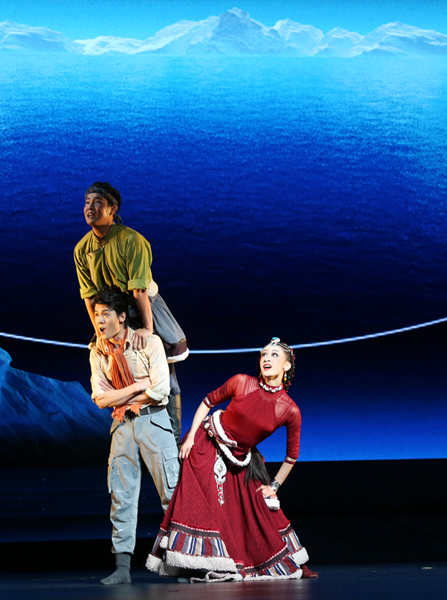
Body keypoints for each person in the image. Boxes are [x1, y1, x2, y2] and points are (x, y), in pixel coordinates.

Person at [146, 337, 316, 582]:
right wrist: (191, 436)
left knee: (257, 508)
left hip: (241, 458)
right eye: (263, 354)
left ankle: (253, 561)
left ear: (287, 366)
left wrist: (275, 486)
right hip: (208, 443)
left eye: (274, 355)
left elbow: (292, 455)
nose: (266, 358)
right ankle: (191, 564)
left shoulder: (289, 410)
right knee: (205, 503)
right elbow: (208, 402)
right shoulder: (241, 382)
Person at [74, 182, 187, 442]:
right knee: (119, 371)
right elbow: (90, 296)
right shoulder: (82, 249)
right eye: (87, 202)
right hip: (112, 315)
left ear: (112, 208)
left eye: (97, 202)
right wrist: (100, 332)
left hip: (143, 308)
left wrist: (148, 328)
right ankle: (134, 436)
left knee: (166, 376)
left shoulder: (132, 241)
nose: (90, 208)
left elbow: (139, 290)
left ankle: (174, 439)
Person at [88, 287, 181, 585]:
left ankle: (183, 563)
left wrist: (125, 395)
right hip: (123, 425)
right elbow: (100, 398)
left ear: (122, 317)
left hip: (154, 422)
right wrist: (137, 387)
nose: (100, 321)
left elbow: (160, 389)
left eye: (106, 314)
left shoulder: (148, 342)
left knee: (172, 494)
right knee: (121, 495)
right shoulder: (98, 351)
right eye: (97, 315)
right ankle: (122, 567)